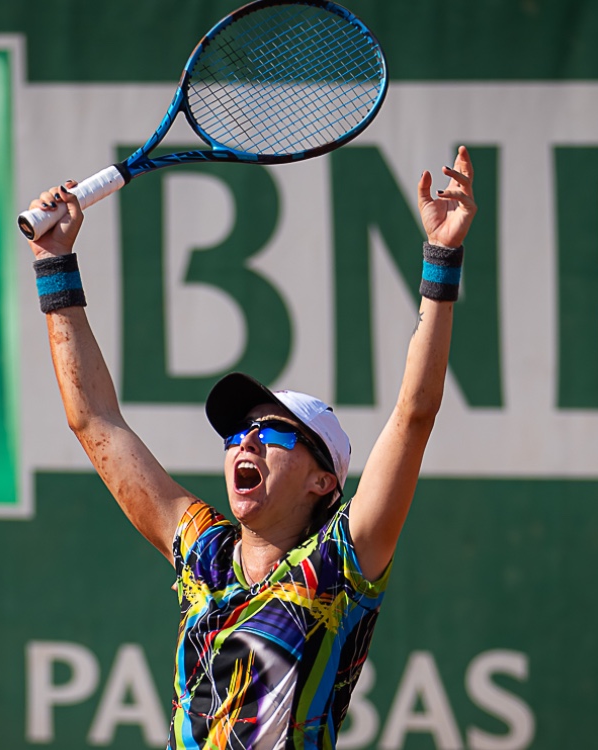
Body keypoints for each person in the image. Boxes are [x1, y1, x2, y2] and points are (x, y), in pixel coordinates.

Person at [25, 146, 477, 750]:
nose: (249, 440)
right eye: (238, 433)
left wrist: (442, 259)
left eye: (276, 432)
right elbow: (96, 422)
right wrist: (54, 264)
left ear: (324, 481)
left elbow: (414, 414)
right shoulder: (202, 553)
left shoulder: (340, 566)